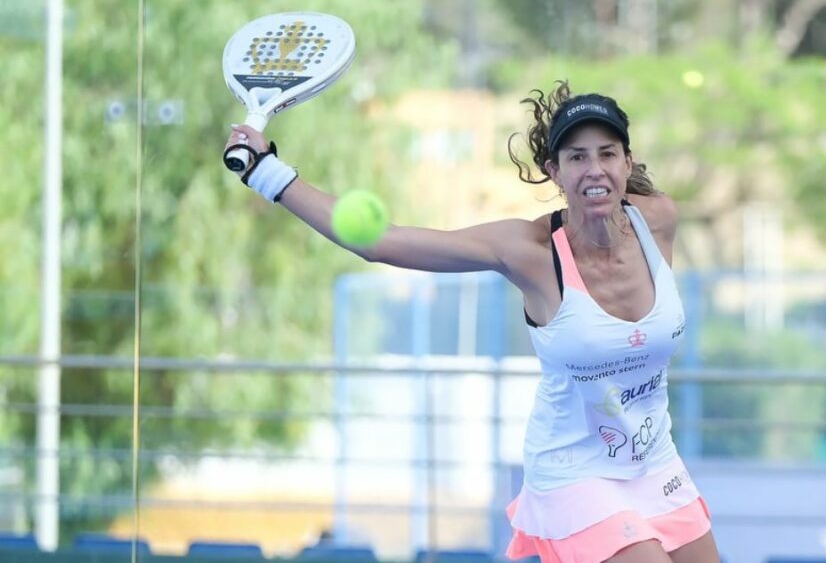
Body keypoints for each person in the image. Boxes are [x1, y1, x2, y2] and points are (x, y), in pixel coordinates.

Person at [224, 80, 722, 563]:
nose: (595, 169)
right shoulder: (528, 251)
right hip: (575, 475)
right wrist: (267, 173)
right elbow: (381, 243)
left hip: (654, 462)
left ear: (627, 162)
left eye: (607, 153)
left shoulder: (658, 220)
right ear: (555, 171)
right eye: (577, 157)